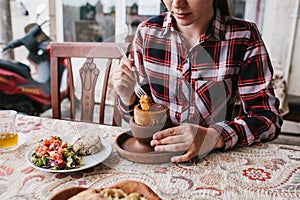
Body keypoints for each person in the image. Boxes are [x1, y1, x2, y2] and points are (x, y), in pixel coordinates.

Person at [112, 0, 283, 163]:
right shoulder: (146, 33)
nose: (177, 4)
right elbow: (138, 118)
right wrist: (128, 98)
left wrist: (213, 136)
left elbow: (268, 119)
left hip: (215, 159)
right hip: (157, 156)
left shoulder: (244, 36)